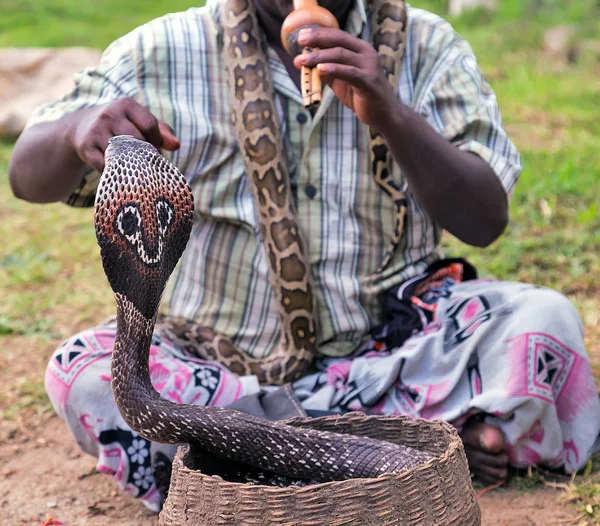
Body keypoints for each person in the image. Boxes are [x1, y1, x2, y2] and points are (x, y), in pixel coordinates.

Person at [9, 0, 600, 514]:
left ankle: (241, 474)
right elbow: (25, 174)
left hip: (388, 355)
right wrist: (74, 129)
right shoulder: (162, 49)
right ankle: (411, 456)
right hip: (219, 369)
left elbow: (484, 218)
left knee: (544, 325)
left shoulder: (427, 44)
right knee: (83, 374)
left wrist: (389, 111)